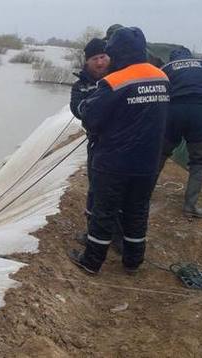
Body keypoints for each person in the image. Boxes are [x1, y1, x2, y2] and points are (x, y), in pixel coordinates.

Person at [70, 27, 170, 274]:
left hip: (115, 161)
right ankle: (133, 262)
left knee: (104, 213)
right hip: (148, 161)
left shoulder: (114, 82)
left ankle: (91, 262)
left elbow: (91, 118)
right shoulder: (161, 77)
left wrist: (85, 107)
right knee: (137, 211)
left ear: (117, 52)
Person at [158, 47, 202, 218]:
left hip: (173, 113)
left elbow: (158, 94)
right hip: (201, 114)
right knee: (199, 162)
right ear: (191, 56)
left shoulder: (166, 69)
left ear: (172, 58)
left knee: (159, 154)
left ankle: (142, 197)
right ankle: (190, 207)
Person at [70, 38, 124, 253]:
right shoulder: (81, 84)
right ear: (87, 62)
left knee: (123, 193)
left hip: (125, 144)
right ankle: (93, 232)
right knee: (97, 190)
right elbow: (78, 109)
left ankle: (120, 238)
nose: (100, 62)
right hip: (99, 145)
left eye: (103, 57)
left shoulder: (122, 77)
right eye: (95, 59)